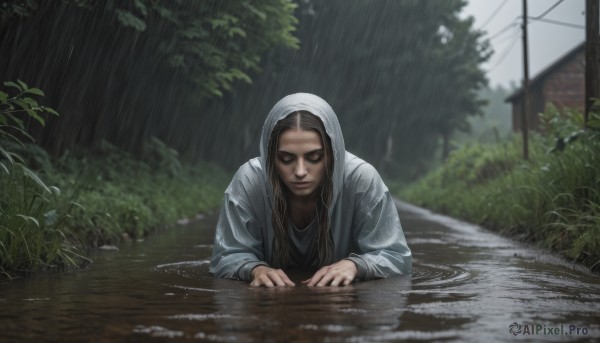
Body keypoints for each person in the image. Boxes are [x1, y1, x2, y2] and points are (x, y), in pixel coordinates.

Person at [210, 93, 411, 287]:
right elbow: (226, 256)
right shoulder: (249, 181)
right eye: (286, 159)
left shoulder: (361, 180)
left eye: (314, 157)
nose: (299, 171)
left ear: (333, 155)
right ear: (271, 158)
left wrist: (356, 265)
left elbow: (395, 256)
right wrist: (255, 270)